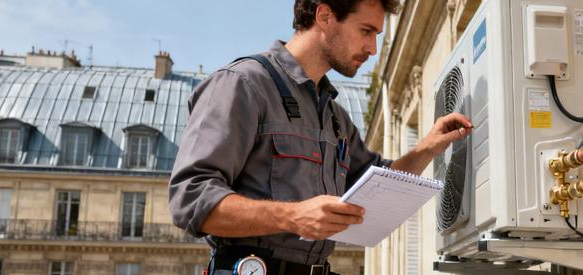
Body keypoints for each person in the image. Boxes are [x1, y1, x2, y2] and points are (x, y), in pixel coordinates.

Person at [168, 0, 472, 274]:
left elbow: (379, 185)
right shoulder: (243, 84)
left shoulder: (335, 117)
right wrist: (293, 216)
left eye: (378, 35)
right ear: (324, 16)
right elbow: (190, 197)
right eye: (366, 31)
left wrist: (427, 148)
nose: (373, 48)